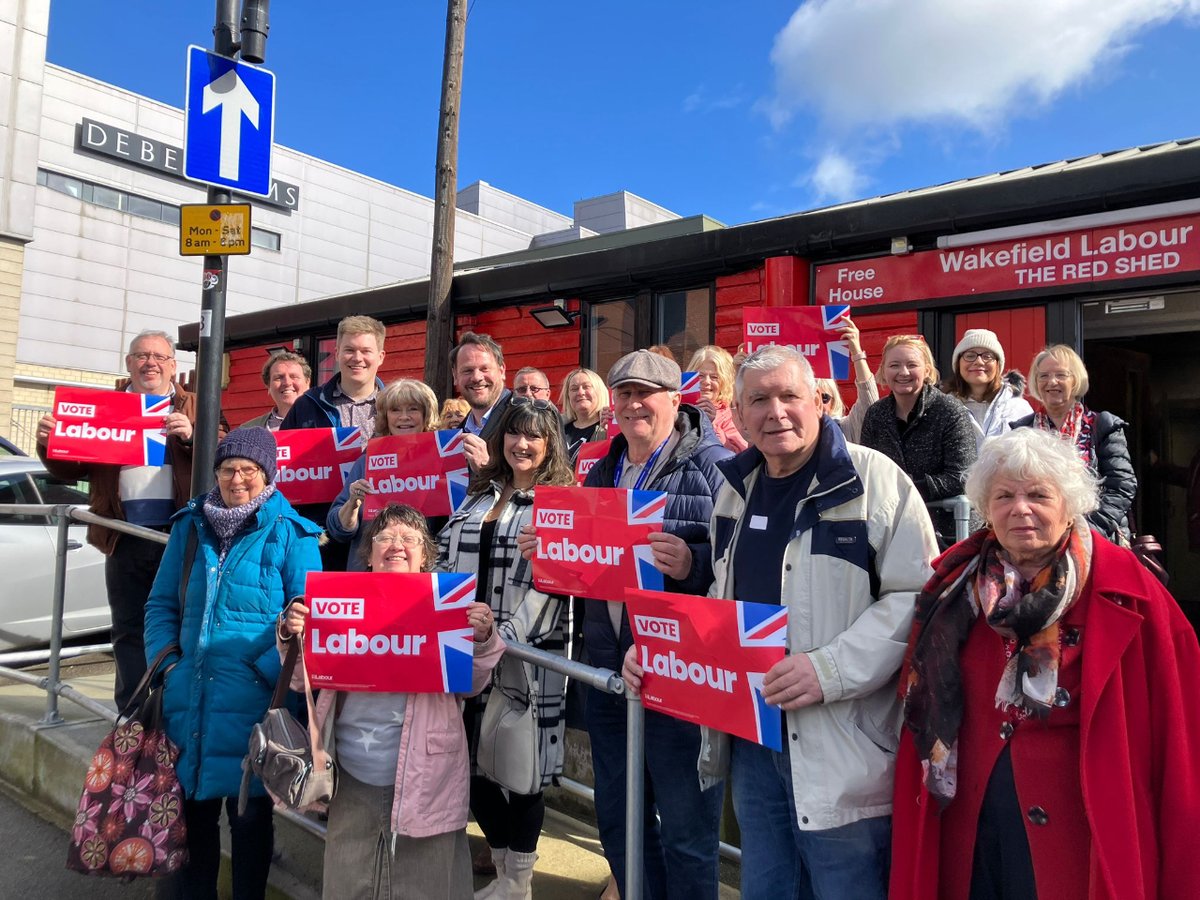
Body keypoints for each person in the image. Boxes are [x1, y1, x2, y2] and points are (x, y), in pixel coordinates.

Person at [623, 345, 938, 900]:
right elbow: (725, 606)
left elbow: (915, 594)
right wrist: (660, 650)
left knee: (847, 887)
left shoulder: (877, 482)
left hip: (844, 739)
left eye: (789, 396)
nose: (776, 413)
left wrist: (829, 669)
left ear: (819, 400)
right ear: (738, 414)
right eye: (759, 400)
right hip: (755, 741)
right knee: (767, 887)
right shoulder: (733, 490)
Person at [890, 427, 1200, 899]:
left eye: (1038, 494)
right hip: (968, 821)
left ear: (1070, 504)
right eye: (1004, 496)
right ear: (986, 510)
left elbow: (1182, 730)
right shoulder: (952, 589)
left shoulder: (1130, 594)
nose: (1021, 508)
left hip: (1084, 829)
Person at [520, 349, 731, 900]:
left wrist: (693, 564)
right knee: (619, 820)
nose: (635, 404)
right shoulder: (601, 465)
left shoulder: (715, 464)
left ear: (675, 399)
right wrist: (549, 553)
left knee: (687, 830)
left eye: (647, 393)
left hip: (679, 672)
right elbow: (587, 565)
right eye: (625, 395)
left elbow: (739, 563)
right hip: (609, 670)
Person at [279, 504, 504, 900]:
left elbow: (470, 684)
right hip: (350, 776)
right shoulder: (336, 601)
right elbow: (299, 681)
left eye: (410, 538)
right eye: (385, 537)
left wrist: (482, 638)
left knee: (426, 882)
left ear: (425, 556)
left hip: (426, 775)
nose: (397, 545)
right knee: (350, 881)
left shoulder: (447, 606)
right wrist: (291, 633)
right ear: (368, 554)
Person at [143, 428, 321, 900]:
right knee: (191, 821)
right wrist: (168, 667)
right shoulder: (188, 525)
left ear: (268, 474)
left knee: (250, 824)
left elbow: (311, 619)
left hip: (257, 703)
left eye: (249, 469)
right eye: (227, 468)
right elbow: (161, 605)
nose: (237, 478)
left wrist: (263, 672)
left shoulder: (292, 533)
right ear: (216, 472)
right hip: (190, 697)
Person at [34, 329, 225, 709]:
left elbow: (225, 454)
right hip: (123, 536)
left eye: (158, 356)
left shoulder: (198, 406)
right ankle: (134, 717)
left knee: (182, 624)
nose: (149, 362)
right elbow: (70, 469)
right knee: (128, 629)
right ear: (128, 363)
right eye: (141, 355)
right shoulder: (104, 406)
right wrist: (48, 441)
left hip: (180, 536)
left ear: (173, 365)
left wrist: (193, 436)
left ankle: (175, 709)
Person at [437, 396, 576, 900]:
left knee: (522, 768)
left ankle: (518, 881)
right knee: (468, 766)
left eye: (534, 436)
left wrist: (507, 638)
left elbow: (558, 583)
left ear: (549, 445)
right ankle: (503, 868)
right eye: (514, 434)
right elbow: (446, 560)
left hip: (526, 655)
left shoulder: (561, 500)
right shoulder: (479, 493)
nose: (522, 444)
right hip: (466, 649)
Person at [280, 315, 387, 571]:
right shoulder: (307, 405)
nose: (357, 358)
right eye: (349, 350)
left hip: (379, 537)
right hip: (320, 539)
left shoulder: (397, 408)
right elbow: (281, 470)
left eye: (366, 351)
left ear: (381, 356)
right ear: (337, 353)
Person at [860, 334, 978, 548]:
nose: (903, 372)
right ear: (884, 371)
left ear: (927, 370)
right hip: (893, 534)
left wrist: (905, 491)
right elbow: (868, 471)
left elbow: (962, 477)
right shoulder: (875, 415)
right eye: (894, 365)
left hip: (950, 536)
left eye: (912, 365)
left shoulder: (950, 411)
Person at [1013, 344, 1135, 544]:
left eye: (1061, 375)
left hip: (1095, 538)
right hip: (1039, 539)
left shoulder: (1102, 425)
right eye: (1043, 376)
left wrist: (1089, 531)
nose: (1052, 382)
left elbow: (1122, 485)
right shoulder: (1022, 431)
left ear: (1076, 380)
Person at [326, 379, 441, 570]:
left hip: (424, 578)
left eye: (413, 409)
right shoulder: (368, 461)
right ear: (385, 417)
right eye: (395, 410)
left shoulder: (444, 461)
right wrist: (352, 504)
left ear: (426, 415)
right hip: (367, 576)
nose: (404, 417)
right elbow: (337, 530)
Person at [942, 328, 1033, 450]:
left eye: (987, 356)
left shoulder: (1018, 408)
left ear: (998, 364)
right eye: (970, 356)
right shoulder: (943, 408)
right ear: (958, 364)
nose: (979, 362)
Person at [452, 331, 512, 473]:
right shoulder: (454, 438)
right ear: (455, 376)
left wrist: (487, 469)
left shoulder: (530, 418)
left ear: (502, 370)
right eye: (467, 370)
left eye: (484, 369)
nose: (477, 377)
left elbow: (549, 482)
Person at [813, 315, 878, 443]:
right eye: (809, 397)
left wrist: (857, 353)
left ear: (834, 402)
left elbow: (869, 404)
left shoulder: (843, 430)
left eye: (824, 398)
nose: (817, 403)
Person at [686, 345, 749, 452]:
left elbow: (738, 454)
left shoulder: (731, 415)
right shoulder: (678, 408)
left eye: (714, 377)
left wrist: (711, 425)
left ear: (725, 381)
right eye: (700, 375)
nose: (706, 381)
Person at [240, 350, 312, 431]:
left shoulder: (325, 422)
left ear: (307, 383)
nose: (287, 383)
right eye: (278, 378)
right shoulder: (247, 431)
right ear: (268, 386)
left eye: (294, 376)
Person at [558, 367, 610, 462]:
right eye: (574, 389)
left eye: (586, 387)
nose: (580, 392)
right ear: (568, 396)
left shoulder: (608, 429)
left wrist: (606, 432)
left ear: (599, 392)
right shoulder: (558, 429)